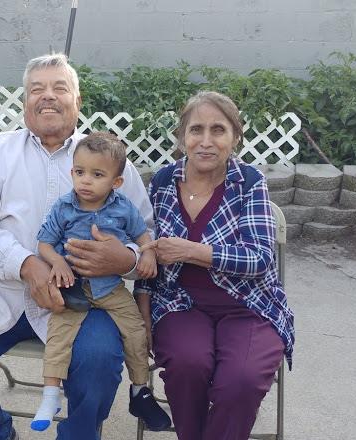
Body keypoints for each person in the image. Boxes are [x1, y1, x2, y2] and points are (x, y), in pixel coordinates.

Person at [0, 53, 155, 440]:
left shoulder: (106, 158)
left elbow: (146, 230)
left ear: (78, 100)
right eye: (37, 89)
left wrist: (126, 258)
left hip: (87, 298)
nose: (48, 97)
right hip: (3, 290)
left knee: (98, 362)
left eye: (60, 88)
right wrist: (26, 263)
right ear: (24, 102)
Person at [136, 91, 295, 440]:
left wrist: (192, 251)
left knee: (240, 380)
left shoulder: (249, 182)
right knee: (188, 365)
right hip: (180, 303)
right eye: (196, 130)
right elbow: (146, 250)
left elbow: (259, 258)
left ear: (235, 137)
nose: (206, 141)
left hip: (249, 305)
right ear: (182, 137)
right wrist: (143, 310)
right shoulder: (163, 183)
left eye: (218, 130)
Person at [31, 132, 170, 432]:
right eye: (79, 172)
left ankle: (139, 391)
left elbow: (144, 236)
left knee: (136, 330)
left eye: (97, 174)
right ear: (72, 172)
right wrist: (56, 262)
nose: (85, 181)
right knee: (59, 335)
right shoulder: (64, 207)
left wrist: (145, 255)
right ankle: (50, 395)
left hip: (110, 289)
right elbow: (43, 243)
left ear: (116, 182)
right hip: (73, 289)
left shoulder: (123, 208)